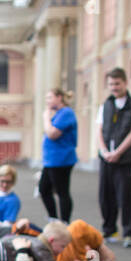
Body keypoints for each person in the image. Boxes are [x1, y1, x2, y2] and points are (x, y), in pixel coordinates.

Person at [95, 68, 131, 247]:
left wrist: (119, 152)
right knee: (105, 195)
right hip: (106, 158)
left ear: (125, 83)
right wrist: (104, 151)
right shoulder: (105, 106)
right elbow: (99, 130)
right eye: (111, 84)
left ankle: (129, 232)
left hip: (125, 160)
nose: (114, 87)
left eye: (117, 84)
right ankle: (109, 229)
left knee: (125, 196)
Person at [40, 88, 77, 221]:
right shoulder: (59, 114)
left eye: (49, 98)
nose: (47, 101)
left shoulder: (66, 113)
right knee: (43, 189)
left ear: (59, 97)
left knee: (62, 192)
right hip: (51, 160)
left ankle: (64, 222)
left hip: (61, 160)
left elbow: (52, 134)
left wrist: (46, 118)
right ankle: (53, 219)